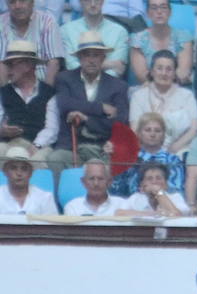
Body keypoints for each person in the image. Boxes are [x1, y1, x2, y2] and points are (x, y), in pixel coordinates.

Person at [51, 32, 130, 172]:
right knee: (56, 158)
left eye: (96, 55)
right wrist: (100, 108)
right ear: (79, 58)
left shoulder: (118, 86)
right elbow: (64, 105)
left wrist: (86, 118)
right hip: (71, 147)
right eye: (87, 55)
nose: (91, 60)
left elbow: (120, 123)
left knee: (103, 165)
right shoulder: (65, 79)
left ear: (103, 58)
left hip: (102, 149)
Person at [129, 49, 197, 154]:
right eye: (159, 68)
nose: (164, 73)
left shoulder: (187, 95)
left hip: (182, 148)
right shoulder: (138, 96)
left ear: (175, 73)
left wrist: (174, 148)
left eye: (169, 69)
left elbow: (194, 129)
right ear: (151, 72)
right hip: (147, 149)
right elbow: (135, 129)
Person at [0, 41, 56, 163]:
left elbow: (52, 128)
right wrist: (2, 131)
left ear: (27, 65)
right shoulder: (3, 92)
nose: (8, 70)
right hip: (9, 143)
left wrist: (37, 145)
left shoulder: (49, 93)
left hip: (39, 145)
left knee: (38, 161)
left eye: (11, 64)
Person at [110, 111, 184, 197]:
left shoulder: (173, 160)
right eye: (148, 130)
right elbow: (115, 189)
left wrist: (153, 192)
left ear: (163, 135)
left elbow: (176, 190)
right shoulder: (128, 158)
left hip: (164, 205)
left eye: (157, 130)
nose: (152, 134)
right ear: (139, 134)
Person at [128, 0, 192, 86]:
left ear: (170, 12)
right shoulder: (137, 39)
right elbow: (142, 75)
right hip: (147, 87)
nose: (159, 11)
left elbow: (183, 72)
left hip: (177, 87)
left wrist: (166, 86)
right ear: (147, 13)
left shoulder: (184, 37)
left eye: (163, 7)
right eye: (154, 8)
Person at [0, 0, 63, 86]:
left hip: (43, 85)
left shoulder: (47, 22)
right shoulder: (1, 24)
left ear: (32, 2)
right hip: (9, 87)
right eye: (12, 2)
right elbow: (1, 64)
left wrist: (46, 93)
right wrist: (7, 95)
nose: (17, 6)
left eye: (22, 1)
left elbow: (54, 62)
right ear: (7, 5)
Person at [61, 0, 130, 79]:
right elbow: (72, 66)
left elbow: (118, 70)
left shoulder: (120, 31)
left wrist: (88, 68)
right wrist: (111, 64)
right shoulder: (66, 30)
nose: (93, 4)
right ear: (80, 2)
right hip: (77, 86)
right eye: (88, 0)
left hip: (109, 87)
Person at [116, 159, 192, 214]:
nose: (154, 182)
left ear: (166, 183)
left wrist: (159, 192)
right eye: (149, 178)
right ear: (142, 185)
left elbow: (176, 215)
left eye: (158, 178)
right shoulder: (136, 198)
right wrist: (154, 215)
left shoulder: (176, 197)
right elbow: (119, 213)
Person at [0, 146, 58, 214]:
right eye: (13, 168)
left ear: (31, 173)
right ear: (5, 171)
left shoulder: (45, 198)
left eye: (24, 169)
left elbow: (53, 224)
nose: (19, 173)